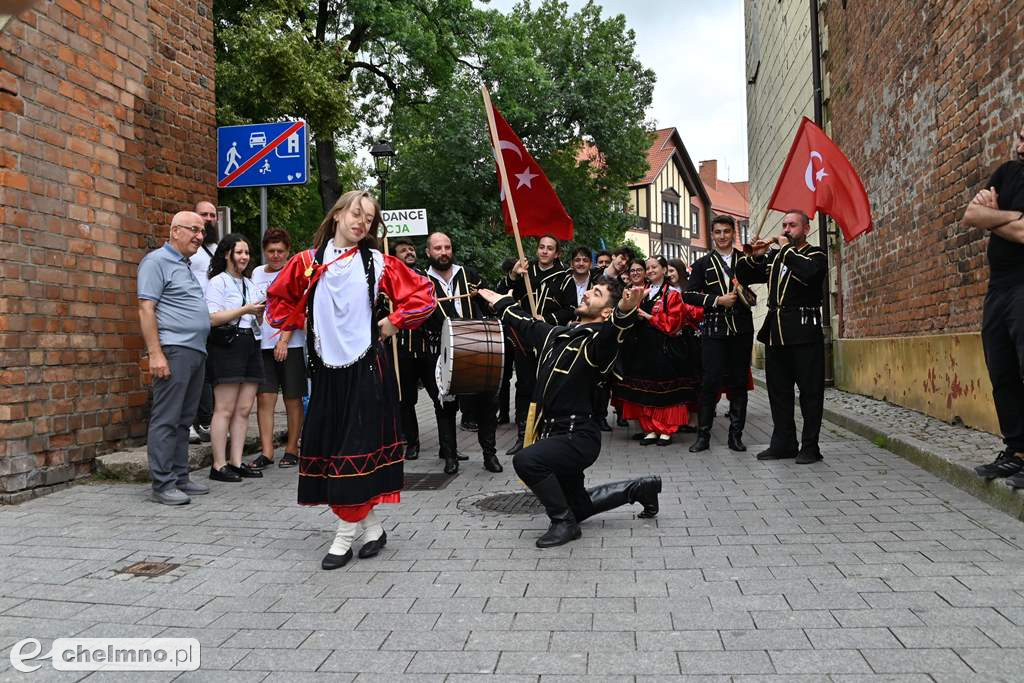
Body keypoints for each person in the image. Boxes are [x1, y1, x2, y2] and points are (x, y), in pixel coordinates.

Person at [266, 190, 435, 570]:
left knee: (351, 453)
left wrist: (394, 321)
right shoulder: (306, 262)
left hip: (366, 371)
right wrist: (302, 321)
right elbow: (277, 301)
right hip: (326, 372)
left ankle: (343, 538)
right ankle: (372, 529)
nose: (362, 223)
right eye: (357, 214)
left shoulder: (377, 262)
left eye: (370, 219)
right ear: (339, 213)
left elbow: (423, 296)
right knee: (333, 455)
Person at [475, 279, 661, 548]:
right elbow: (528, 323)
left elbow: (614, 331)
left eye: (596, 293)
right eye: (590, 289)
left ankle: (563, 523)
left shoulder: (599, 344)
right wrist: (501, 301)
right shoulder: (558, 335)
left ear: (606, 311)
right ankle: (640, 488)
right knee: (580, 507)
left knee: (527, 461)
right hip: (553, 434)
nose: (586, 293)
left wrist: (624, 311)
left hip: (578, 437)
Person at [736, 210, 827, 463]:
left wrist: (784, 249)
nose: (786, 229)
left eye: (792, 225)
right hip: (776, 333)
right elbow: (744, 276)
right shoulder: (777, 258)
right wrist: (753, 258)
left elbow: (809, 274)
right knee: (779, 392)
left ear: (806, 229)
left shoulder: (816, 254)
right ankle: (783, 443)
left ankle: (810, 447)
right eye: (785, 225)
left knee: (810, 393)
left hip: (804, 331)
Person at [137, 211, 212, 505]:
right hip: (173, 350)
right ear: (175, 231)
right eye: (194, 229)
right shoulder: (156, 262)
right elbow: (146, 309)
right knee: (166, 419)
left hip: (195, 351)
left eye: (202, 231)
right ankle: (162, 483)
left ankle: (180, 476)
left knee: (184, 420)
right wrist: (155, 353)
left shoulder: (185, 266)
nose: (199, 236)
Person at [963, 126, 1024, 484]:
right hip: (998, 286)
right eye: (1019, 138)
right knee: (1000, 368)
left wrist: (995, 216)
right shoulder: (1006, 172)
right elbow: (971, 216)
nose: (1018, 147)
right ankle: (1016, 450)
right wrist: (1012, 216)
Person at [421, 232, 500, 475]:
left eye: (447, 247)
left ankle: (489, 454)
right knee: (444, 404)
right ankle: (450, 457)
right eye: (437, 248)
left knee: (486, 401)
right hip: (439, 349)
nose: (443, 252)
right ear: (428, 252)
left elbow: (490, 299)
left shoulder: (469, 275)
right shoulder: (420, 281)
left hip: (474, 346)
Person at [613, 256, 703, 446]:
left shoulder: (672, 294)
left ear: (664, 270)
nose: (650, 270)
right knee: (646, 388)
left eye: (654, 267)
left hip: (664, 349)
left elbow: (674, 325)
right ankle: (651, 429)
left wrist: (649, 317)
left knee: (665, 390)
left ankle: (666, 430)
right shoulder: (642, 292)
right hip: (643, 349)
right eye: (648, 267)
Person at [685, 215, 755, 453]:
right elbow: (689, 294)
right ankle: (703, 436)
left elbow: (763, 274)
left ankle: (736, 436)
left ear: (733, 234)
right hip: (714, 329)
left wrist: (758, 254)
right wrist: (717, 300)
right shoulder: (702, 263)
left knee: (738, 382)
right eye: (718, 232)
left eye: (727, 232)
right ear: (712, 234)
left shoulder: (745, 261)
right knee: (710, 382)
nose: (722, 236)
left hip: (741, 329)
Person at [204, 233, 265, 482]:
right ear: (227, 254)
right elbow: (212, 318)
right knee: (225, 408)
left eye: (247, 253)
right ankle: (218, 465)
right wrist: (246, 309)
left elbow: (257, 319)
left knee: (243, 408)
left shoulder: (249, 284)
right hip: (228, 345)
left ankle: (236, 462)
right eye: (239, 252)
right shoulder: (218, 282)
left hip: (251, 342)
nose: (244, 257)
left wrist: (259, 313)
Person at [505, 234, 568, 454]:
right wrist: (513, 276)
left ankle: (546, 435)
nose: (544, 251)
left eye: (550, 248)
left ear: (556, 253)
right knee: (524, 385)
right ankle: (523, 436)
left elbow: (571, 309)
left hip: (549, 339)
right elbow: (505, 294)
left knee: (548, 385)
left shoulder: (565, 277)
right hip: (524, 338)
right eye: (541, 247)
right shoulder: (525, 270)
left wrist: (548, 321)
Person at [250, 228, 306, 469]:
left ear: (288, 252)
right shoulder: (256, 273)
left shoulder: (295, 272)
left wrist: (283, 340)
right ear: (264, 251)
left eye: (280, 251)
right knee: (265, 397)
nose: (275, 255)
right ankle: (267, 451)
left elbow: (298, 307)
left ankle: (292, 448)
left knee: (292, 398)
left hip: (290, 343)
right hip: (263, 344)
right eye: (271, 251)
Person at [390, 238, 432, 462]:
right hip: (401, 350)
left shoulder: (426, 277)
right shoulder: (388, 281)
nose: (409, 252)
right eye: (403, 250)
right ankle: (412, 443)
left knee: (440, 397)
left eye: (411, 249)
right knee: (405, 399)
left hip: (427, 348)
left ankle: (448, 447)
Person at [189, 200, 220, 444]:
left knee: (209, 373)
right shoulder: (188, 247)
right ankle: (188, 423)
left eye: (212, 215)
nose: (209, 219)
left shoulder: (218, 248)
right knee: (190, 371)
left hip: (214, 319)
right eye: (203, 215)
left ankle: (206, 420)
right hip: (191, 317)